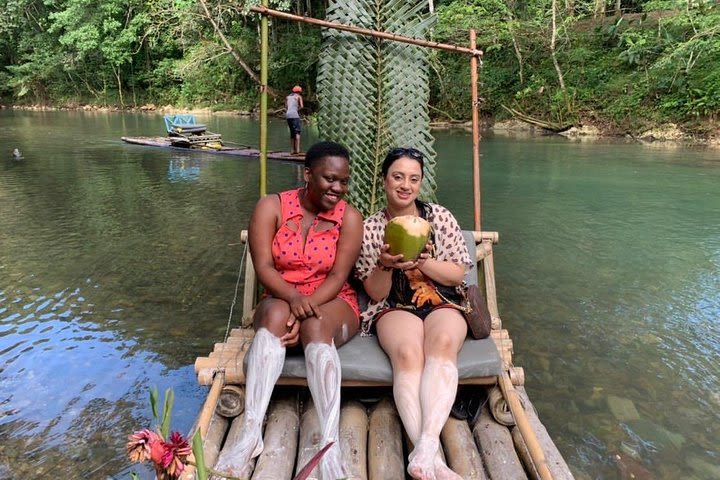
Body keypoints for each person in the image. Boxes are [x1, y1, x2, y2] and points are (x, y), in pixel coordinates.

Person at [213, 141, 363, 480]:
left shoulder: (350, 218)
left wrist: (304, 308)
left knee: (315, 327)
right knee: (275, 316)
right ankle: (251, 434)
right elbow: (264, 266)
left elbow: (339, 276)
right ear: (307, 174)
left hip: (332, 299)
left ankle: (329, 443)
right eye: (329, 179)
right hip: (280, 295)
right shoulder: (272, 207)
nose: (337, 188)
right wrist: (293, 301)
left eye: (343, 181)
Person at [354, 147, 472, 480]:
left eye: (414, 178)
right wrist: (385, 264)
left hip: (441, 297)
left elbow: (458, 274)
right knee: (407, 352)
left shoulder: (439, 217)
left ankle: (425, 448)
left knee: (444, 340)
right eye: (398, 176)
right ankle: (433, 464)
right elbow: (375, 292)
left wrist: (424, 262)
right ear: (384, 180)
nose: (405, 185)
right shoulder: (372, 228)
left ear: (420, 183)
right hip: (394, 302)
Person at [286, 85, 304, 155]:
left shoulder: (287, 97)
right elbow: (302, 106)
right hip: (294, 115)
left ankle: (292, 150)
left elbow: (286, 107)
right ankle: (297, 150)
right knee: (297, 132)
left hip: (288, 115)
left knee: (292, 132)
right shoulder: (299, 97)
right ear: (299, 91)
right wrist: (297, 109)